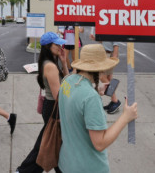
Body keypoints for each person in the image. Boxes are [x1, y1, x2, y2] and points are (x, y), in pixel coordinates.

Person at [58, 44, 138, 173]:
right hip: (88, 167)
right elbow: (99, 143)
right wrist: (125, 117)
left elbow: (75, 106)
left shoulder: (67, 80)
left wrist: (95, 89)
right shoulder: (90, 97)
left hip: (66, 162)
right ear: (100, 69)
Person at [16, 32, 68, 173]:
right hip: (54, 108)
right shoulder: (50, 66)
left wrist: (63, 62)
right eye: (56, 44)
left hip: (52, 107)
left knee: (51, 144)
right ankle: (23, 171)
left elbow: (66, 82)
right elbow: (60, 95)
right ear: (47, 46)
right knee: (48, 144)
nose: (60, 46)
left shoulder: (52, 62)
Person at [89, 27, 121, 114]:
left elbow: (116, 45)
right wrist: (96, 39)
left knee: (101, 76)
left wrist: (113, 60)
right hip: (103, 54)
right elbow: (105, 43)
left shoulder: (114, 28)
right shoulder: (106, 27)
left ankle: (115, 100)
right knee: (108, 79)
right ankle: (113, 101)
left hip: (107, 56)